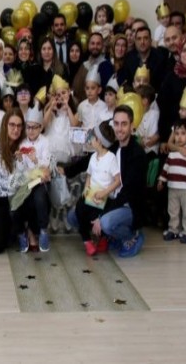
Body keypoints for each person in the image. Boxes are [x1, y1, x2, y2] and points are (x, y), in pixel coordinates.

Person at [68, 106, 147, 258]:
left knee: (105, 222)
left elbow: (127, 193)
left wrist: (101, 216)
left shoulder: (137, 155)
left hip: (128, 205)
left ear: (131, 126)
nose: (119, 129)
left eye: (124, 124)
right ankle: (110, 235)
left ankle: (132, 235)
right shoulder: (114, 147)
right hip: (109, 200)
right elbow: (89, 160)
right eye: (116, 124)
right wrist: (67, 170)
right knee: (74, 215)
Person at [0, 109, 27, 254]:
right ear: (5, 126)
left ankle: (22, 230)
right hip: (1, 198)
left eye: (19, 126)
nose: (16, 129)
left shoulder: (25, 146)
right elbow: (3, 181)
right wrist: (21, 172)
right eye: (12, 125)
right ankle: (12, 227)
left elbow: (29, 175)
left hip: (20, 198)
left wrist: (22, 166)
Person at [74, 121, 120, 256]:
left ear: (99, 141)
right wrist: (86, 188)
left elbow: (118, 180)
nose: (90, 139)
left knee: (97, 215)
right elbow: (89, 174)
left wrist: (104, 192)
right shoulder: (93, 157)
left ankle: (103, 238)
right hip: (91, 195)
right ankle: (87, 241)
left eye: (92, 137)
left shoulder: (111, 158)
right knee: (79, 208)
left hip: (105, 197)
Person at [14, 104, 53, 252]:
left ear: (41, 127)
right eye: (28, 127)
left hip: (40, 181)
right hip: (26, 181)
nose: (30, 131)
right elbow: (21, 169)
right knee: (16, 201)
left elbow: (46, 165)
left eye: (34, 127)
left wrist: (35, 160)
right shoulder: (22, 143)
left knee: (40, 198)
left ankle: (43, 230)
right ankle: (21, 233)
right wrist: (19, 159)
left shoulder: (45, 142)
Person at [158, 119, 186, 243]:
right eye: (177, 134)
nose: (179, 137)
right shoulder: (172, 153)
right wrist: (161, 180)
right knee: (173, 210)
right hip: (172, 186)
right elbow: (166, 168)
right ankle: (173, 230)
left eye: (183, 133)